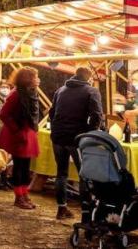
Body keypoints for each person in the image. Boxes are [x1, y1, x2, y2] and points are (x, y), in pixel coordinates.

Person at [49, 66, 103, 220]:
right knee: (84, 173)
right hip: (77, 138)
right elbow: (96, 115)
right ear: (89, 78)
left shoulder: (60, 90)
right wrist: (89, 132)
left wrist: (57, 127)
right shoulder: (92, 91)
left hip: (58, 136)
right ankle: (86, 212)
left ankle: (61, 208)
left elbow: (52, 113)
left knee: (61, 173)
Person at [0, 67, 41, 210]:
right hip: (18, 134)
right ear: (27, 79)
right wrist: (16, 130)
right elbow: (3, 114)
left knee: (26, 166)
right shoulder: (16, 94)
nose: (37, 80)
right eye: (35, 77)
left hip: (28, 132)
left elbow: (33, 114)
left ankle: (24, 194)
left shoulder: (31, 93)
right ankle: (19, 196)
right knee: (19, 166)